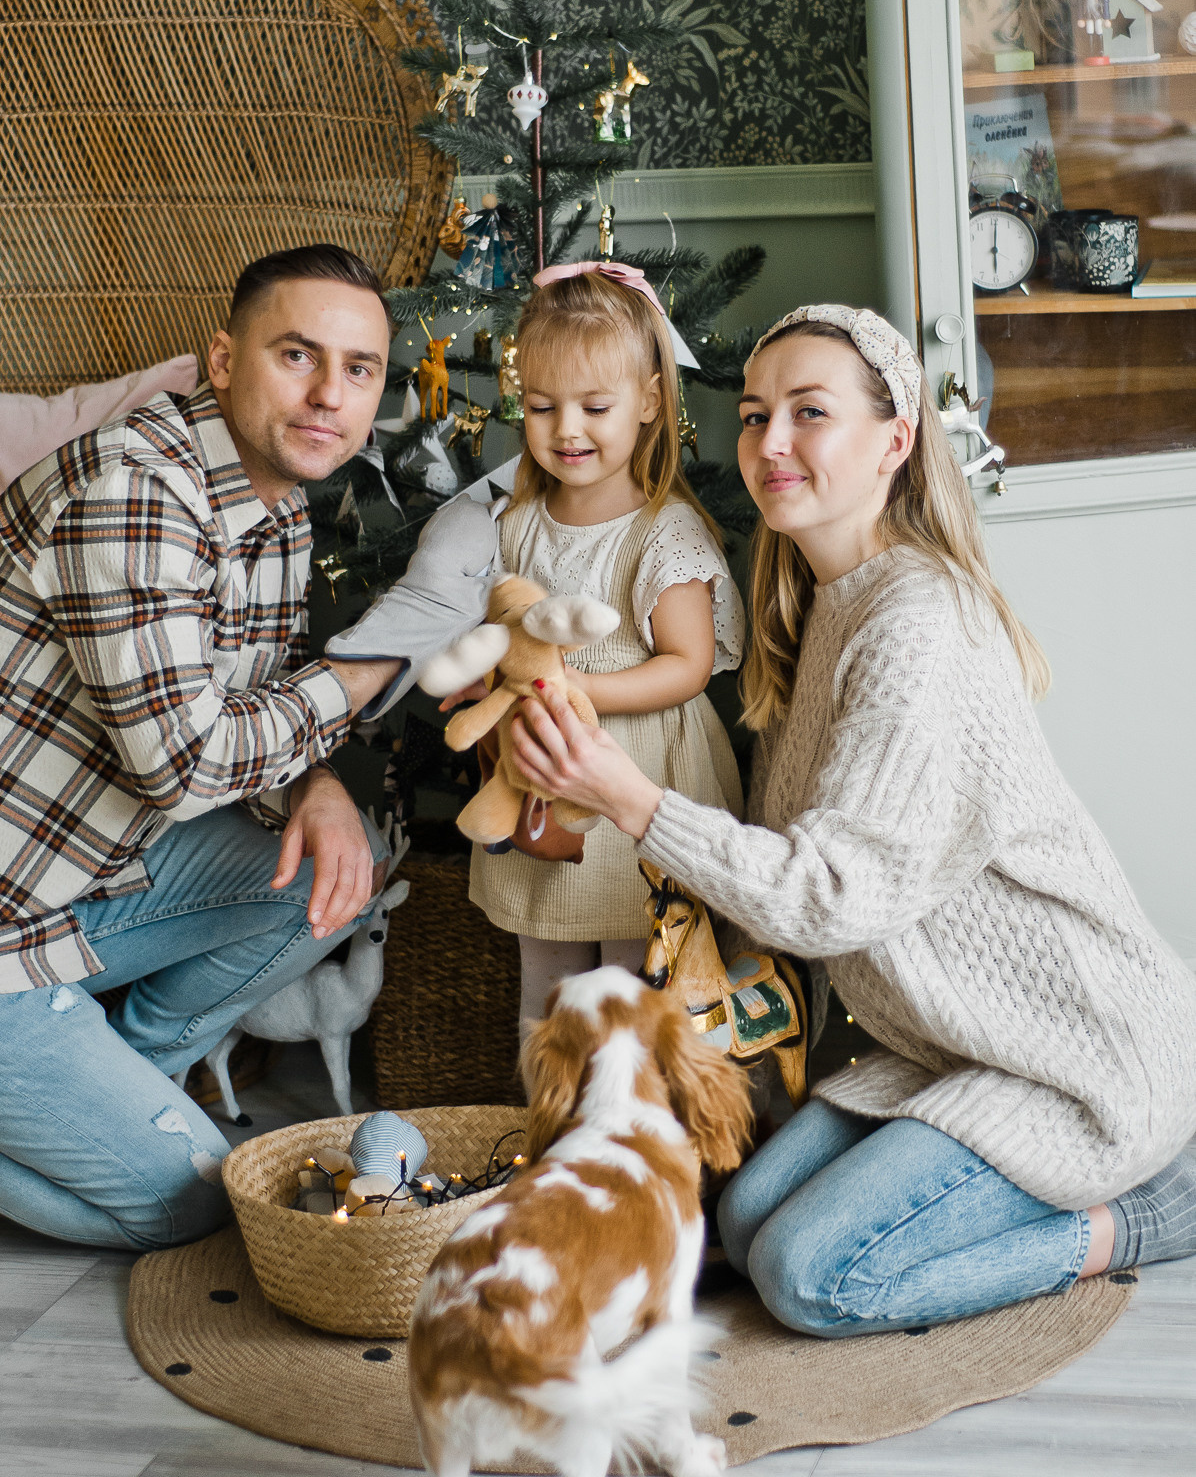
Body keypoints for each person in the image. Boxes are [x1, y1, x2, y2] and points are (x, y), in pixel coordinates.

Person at [506, 302, 1196, 1335]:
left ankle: (1147, 1214)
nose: (768, 442)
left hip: (1072, 1061)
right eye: (750, 414)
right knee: (739, 1221)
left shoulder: (916, 629)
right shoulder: (822, 605)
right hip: (949, 1049)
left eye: (807, 412)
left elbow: (825, 897)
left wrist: (627, 797)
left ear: (894, 439)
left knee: (805, 1276)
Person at [0, 244, 412, 1251]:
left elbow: (243, 700)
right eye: (297, 356)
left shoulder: (272, 504)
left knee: (340, 858)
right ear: (223, 360)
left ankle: (123, 1078)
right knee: (196, 1204)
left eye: (358, 370)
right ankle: (92, 1108)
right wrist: (361, 678)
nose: (328, 396)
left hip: (77, 881)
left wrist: (313, 780)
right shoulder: (136, 494)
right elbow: (180, 766)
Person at [455, 262, 745, 1025]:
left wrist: (583, 692)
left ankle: (626, 1127)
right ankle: (547, 1125)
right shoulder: (514, 522)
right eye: (543, 407)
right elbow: (502, 631)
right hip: (542, 773)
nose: (567, 429)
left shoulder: (663, 531)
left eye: (594, 406)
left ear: (650, 400)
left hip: (637, 773)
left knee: (631, 976)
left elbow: (686, 668)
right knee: (547, 975)